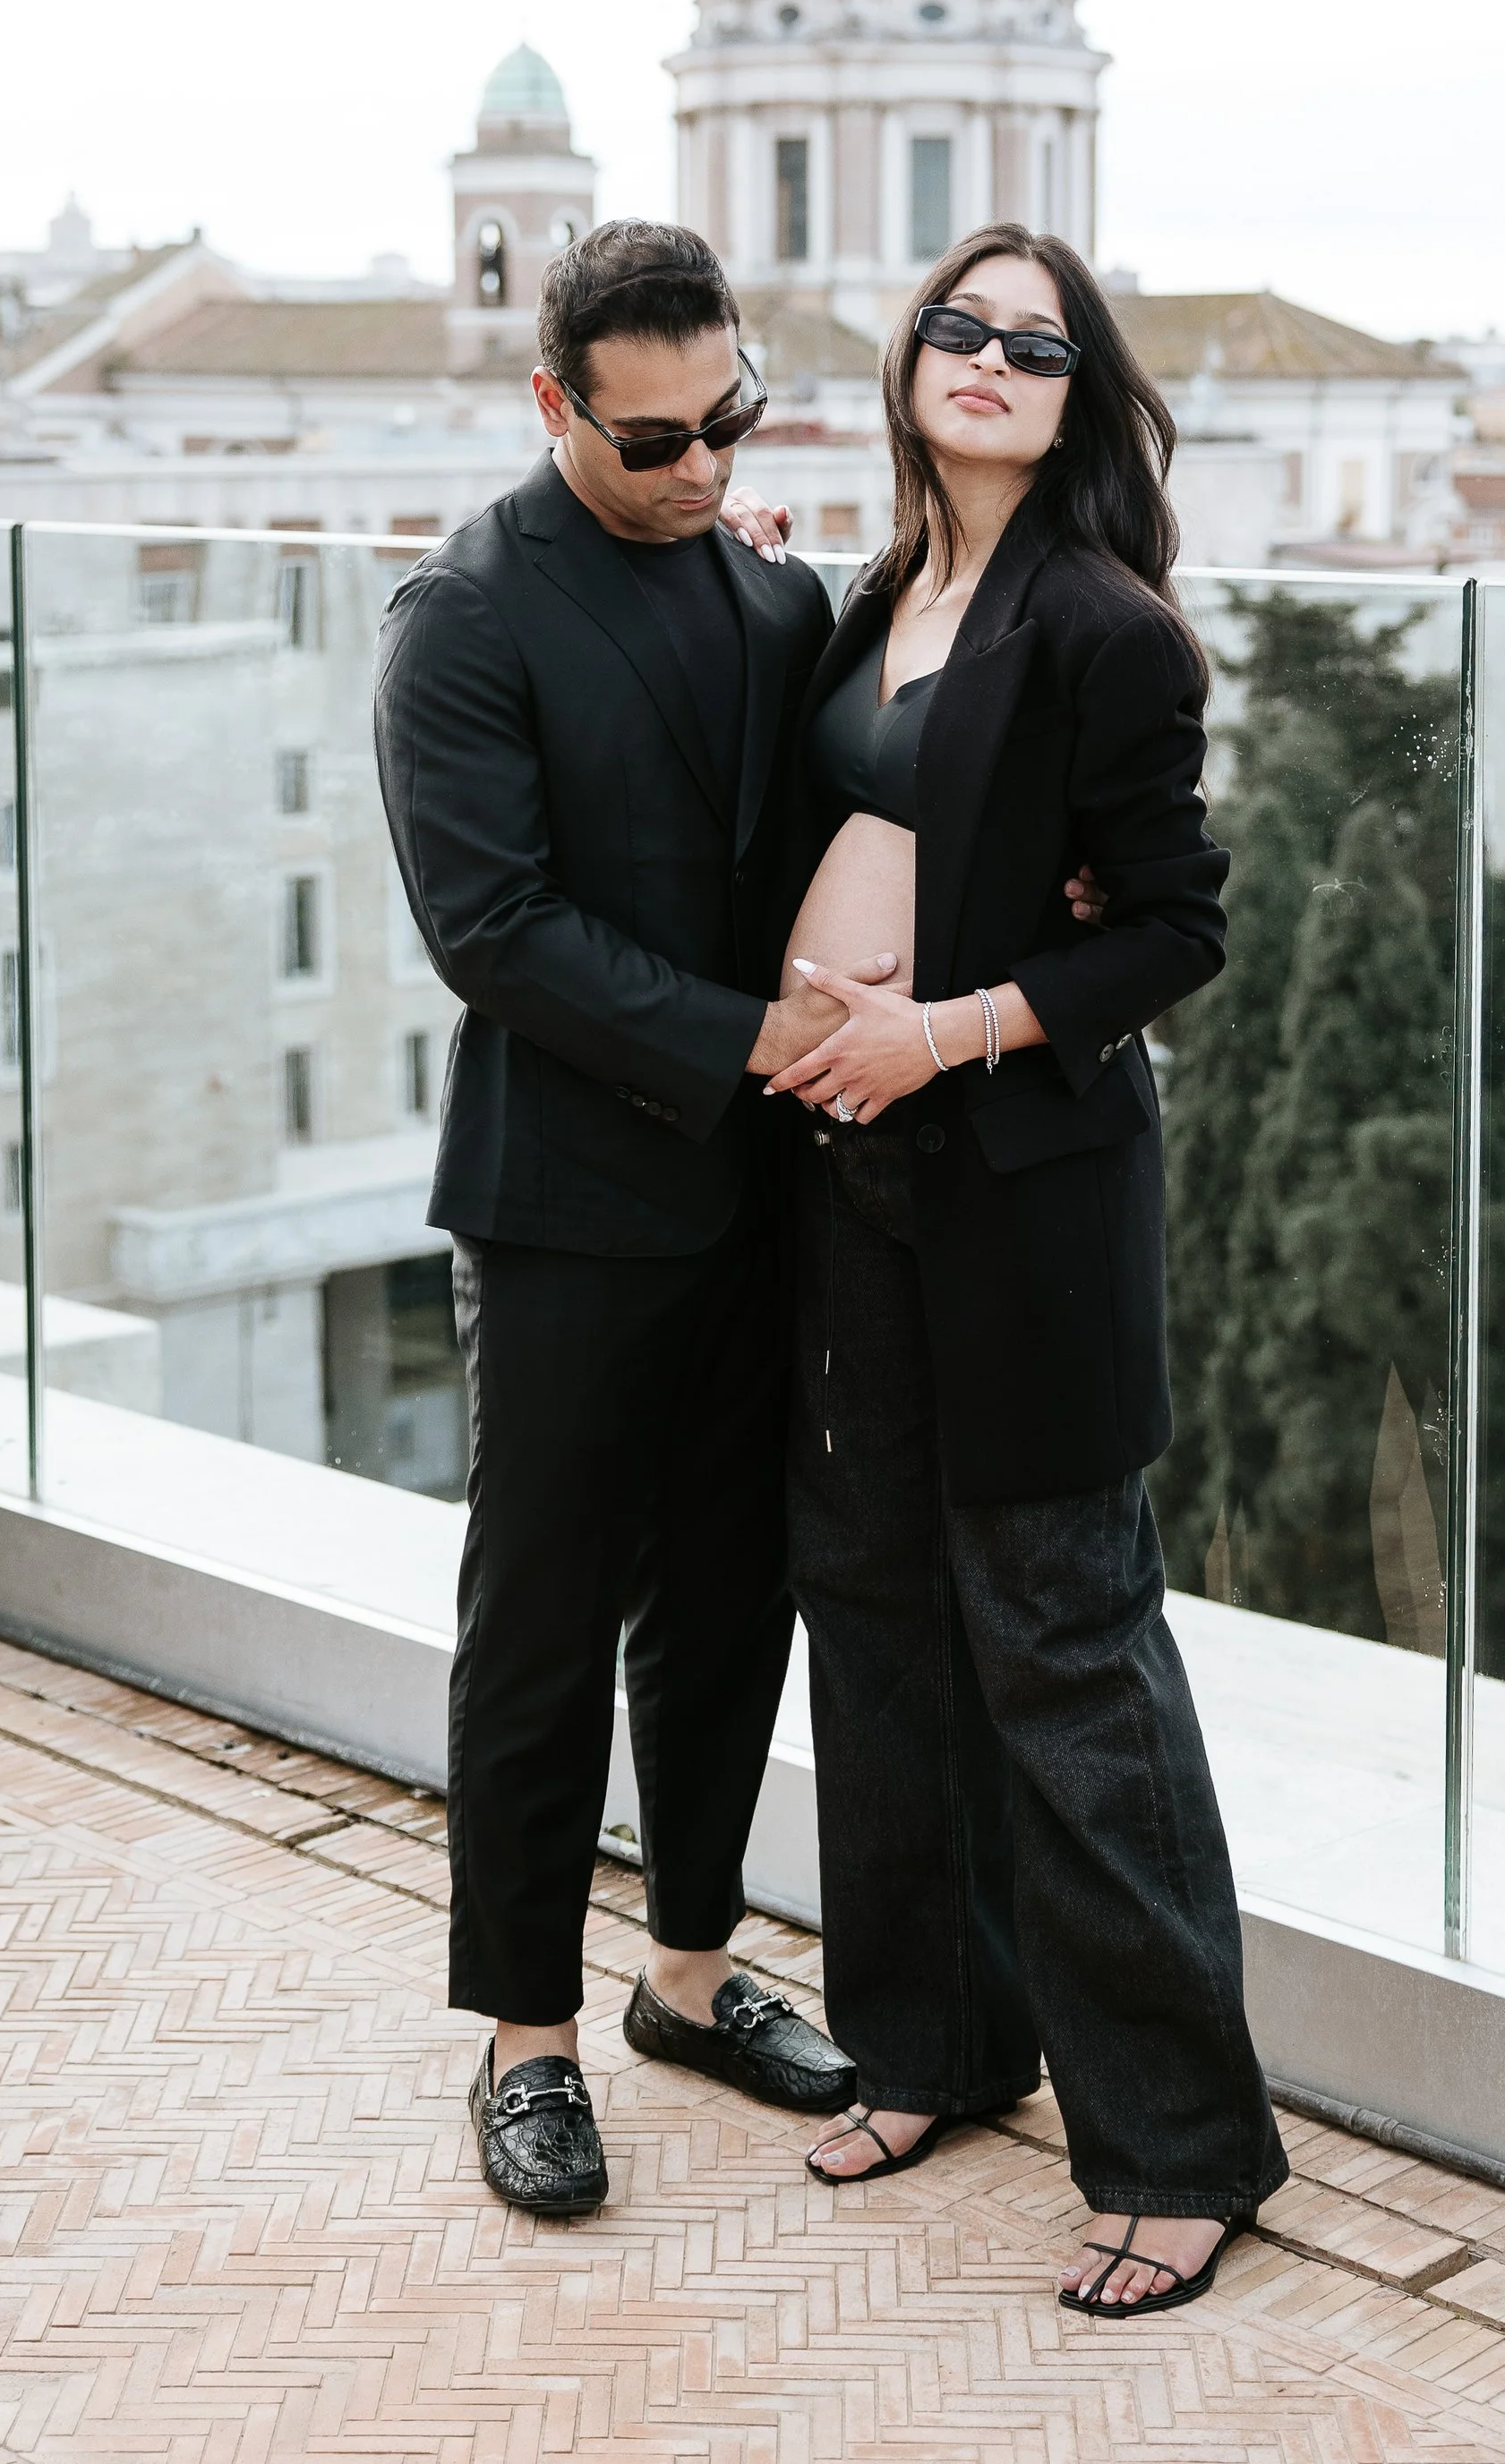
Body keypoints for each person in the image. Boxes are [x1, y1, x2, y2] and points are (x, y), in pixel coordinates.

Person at [763, 222, 1289, 2319]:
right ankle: (933, 2048)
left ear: (1078, 396)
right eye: (954, 328)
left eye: (1032, 343)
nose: (984, 358)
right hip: (843, 1178)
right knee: (877, 1623)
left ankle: (1179, 2149)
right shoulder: (876, 597)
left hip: (1020, 1199)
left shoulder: (1104, 629)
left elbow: (1169, 929)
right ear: (905, 361)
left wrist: (942, 1025)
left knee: (1067, 1656)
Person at [374, 219, 859, 2221]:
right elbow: (494, 933)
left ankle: (685, 1974)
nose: (700, 471)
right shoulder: (461, 615)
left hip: (763, 1196)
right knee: (543, 1623)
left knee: (736, 1594)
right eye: (653, 440)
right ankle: (524, 2037)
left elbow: (862, 815)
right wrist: (756, 1041)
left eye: (726, 424)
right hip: (568, 1201)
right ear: (554, 400)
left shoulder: (778, 593)